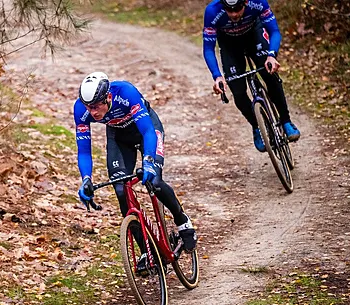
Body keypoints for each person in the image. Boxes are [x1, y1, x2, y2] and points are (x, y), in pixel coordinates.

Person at [73, 72, 197, 257]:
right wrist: (86, 179)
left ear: (108, 97)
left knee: (154, 181)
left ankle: (182, 222)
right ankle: (147, 252)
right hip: (119, 138)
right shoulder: (81, 110)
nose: (93, 112)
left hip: (146, 129)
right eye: (88, 107)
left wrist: (148, 161)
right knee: (121, 191)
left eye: (96, 106)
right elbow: (84, 150)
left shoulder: (125, 92)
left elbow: (148, 131)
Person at [203, 0, 300, 152]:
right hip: (230, 46)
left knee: (270, 76)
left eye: (238, 9)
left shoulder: (257, 2)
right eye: (229, 10)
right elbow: (208, 48)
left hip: (254, 36)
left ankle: (286, 121)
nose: (234, 14)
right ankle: (257, 126)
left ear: (246, 2)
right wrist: (217, 76)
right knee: (238, 92)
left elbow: (274, 31)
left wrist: (272, 55)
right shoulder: (212, 11)